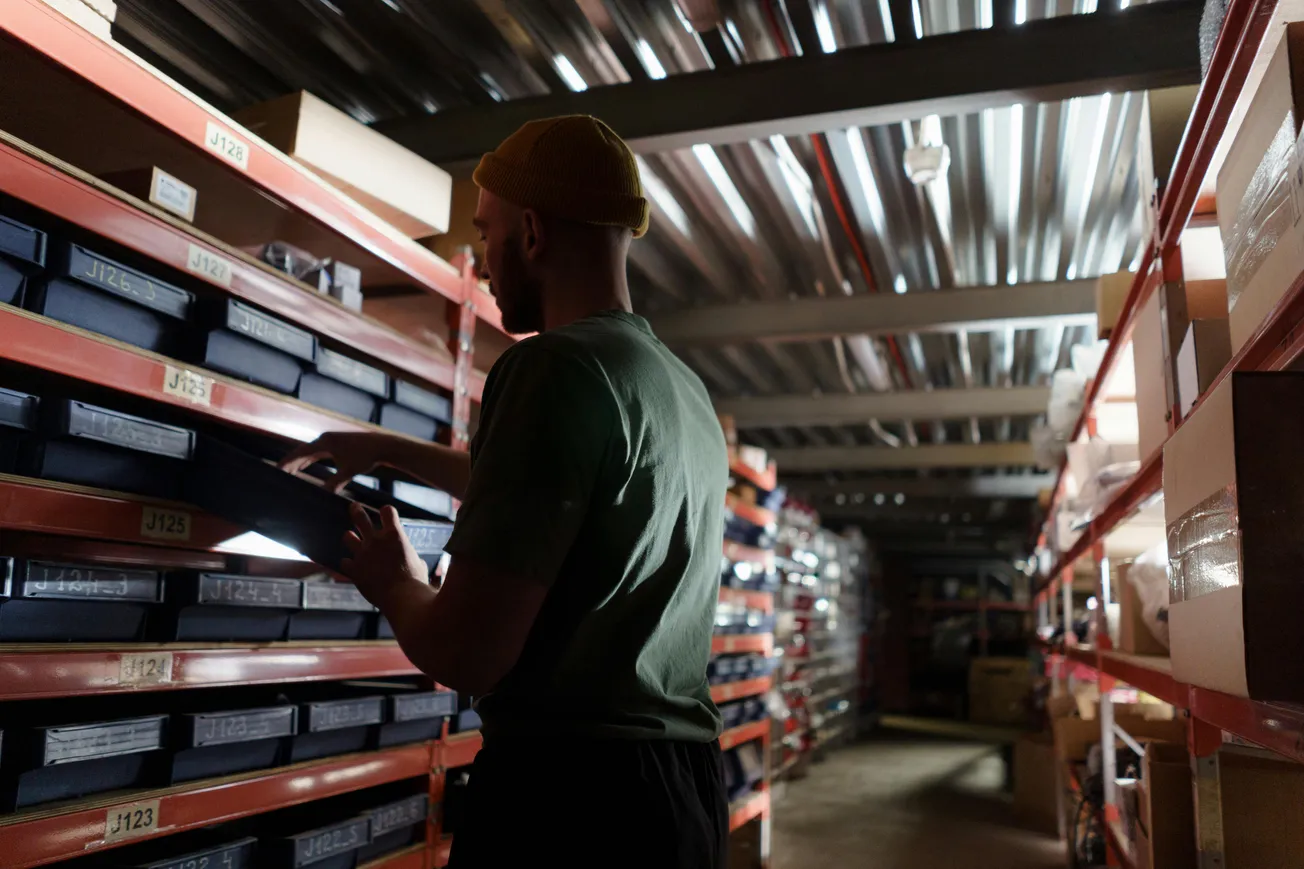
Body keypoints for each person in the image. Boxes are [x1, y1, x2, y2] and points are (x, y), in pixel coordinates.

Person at [281, 115, 729, 868]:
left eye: (486, 234)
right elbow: (567, 493)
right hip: (680, 796)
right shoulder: (678, 391)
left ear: (532, 232)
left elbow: (468, 651)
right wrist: (388, 447)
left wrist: (397, 582)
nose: (484, 262)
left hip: (574, 803)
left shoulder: (551, 369)